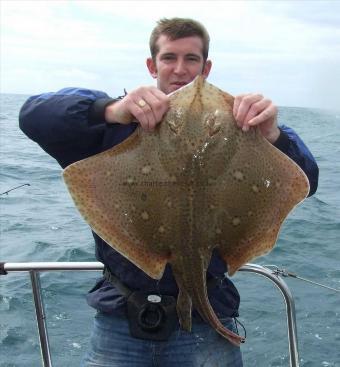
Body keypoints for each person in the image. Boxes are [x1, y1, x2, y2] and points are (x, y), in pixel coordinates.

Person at [19, 18, 319, 367]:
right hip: (123, 321)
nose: (180, 69)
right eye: (169, 57)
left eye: (191, 59)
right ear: (152, 65)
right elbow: (32, 116)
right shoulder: (118, 124)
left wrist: (273, 136)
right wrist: (110, 109)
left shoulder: (242, 128)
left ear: (206, 67)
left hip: (210, 320)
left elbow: (306, 181)